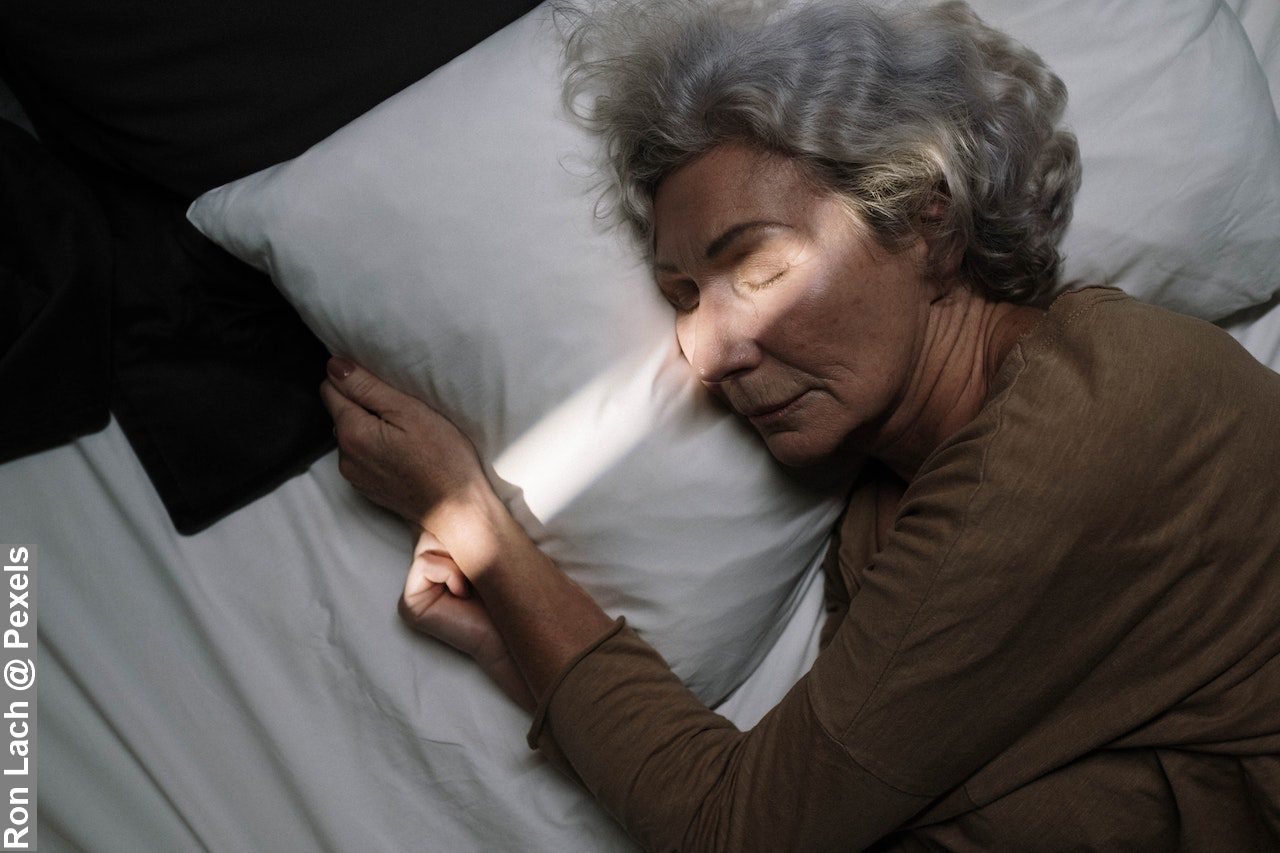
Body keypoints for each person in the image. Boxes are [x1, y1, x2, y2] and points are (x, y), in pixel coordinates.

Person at [318, 0, 1280, 848]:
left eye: (760, 268)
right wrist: (515, 642)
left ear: (926, 220)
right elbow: (809, 794)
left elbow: (734, 824)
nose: (703, 349)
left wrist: (480, 528)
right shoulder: (879, 518)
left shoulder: (1086, 417)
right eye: (683, 295)